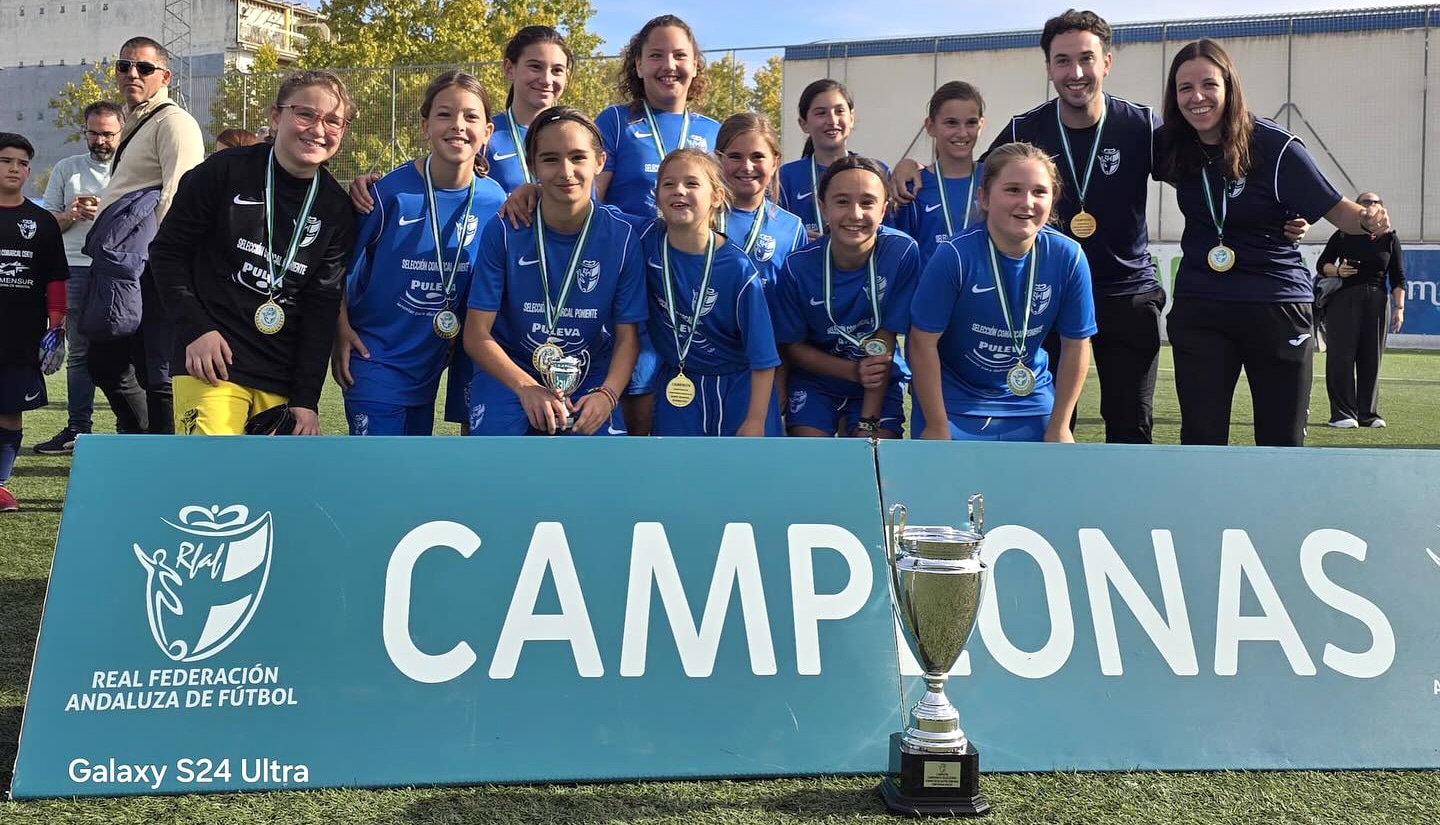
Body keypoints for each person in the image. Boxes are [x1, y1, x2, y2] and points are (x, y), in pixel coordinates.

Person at [893, 10, 1309, 444]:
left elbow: (1208, 172)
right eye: (1062, 61)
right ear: (1049, 66)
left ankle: (1123, 512)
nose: (1076, 73)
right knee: (1053, 428)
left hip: (1127, 295)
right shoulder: (1025, 127)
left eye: (1086, 59)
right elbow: (982, 178)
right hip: (1046, 299)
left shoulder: (1142, 125)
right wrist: (916, 166)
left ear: (1106, 62)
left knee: (1130, 425)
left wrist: (1274, 218)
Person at [1154, 39, 1388, 447]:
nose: (1196, 97)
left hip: (1275, 305)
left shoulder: (1277, 148)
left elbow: (1338, 211)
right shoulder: (1171, 145)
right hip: (1202, 306)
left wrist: (1370, 219)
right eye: (1184, 88)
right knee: (1200, 442)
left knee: (1281, 447)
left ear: (1229, 87)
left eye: (1208, 84)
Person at [149, 70, 357, 435]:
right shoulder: (223, 172)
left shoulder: (336, 208)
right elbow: (166, 254)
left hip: (279, 377)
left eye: (333, 121)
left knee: (268, 490)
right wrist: (197, 330)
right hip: (211, 363)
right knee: (213, 483)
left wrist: (306, 399)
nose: (318, 129)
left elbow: (321, 306)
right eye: (305, 114)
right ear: (275, 117)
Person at [333, 71, 505, 436]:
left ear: (487, 132)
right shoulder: (386, 194)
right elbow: (334, 265)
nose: (458, 125)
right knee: (380, 476)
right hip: (375, 358)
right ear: (425, 125)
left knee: (410, 476)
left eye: (470, 117)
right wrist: (340, 328)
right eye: (444, 114)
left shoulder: (497, 202)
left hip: (433, 361)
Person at [463, 107, 643, 436]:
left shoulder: (622, 235)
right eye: (550, 159)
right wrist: (526, 387)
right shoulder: (506, 229)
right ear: (532, 166)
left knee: (596, 477)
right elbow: (476, 335)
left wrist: (607, 394)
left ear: (600, 162)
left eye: (578, 157)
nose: (566, 171)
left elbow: (627, 338)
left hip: (590, 375)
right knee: (495, 471)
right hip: (511, 371)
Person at [908, 142, 1095, 442]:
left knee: (1037, 487)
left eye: (1039, 192)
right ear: (984, 197)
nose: (1027, 202)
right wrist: (936, 424)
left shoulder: (1069, 256)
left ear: (1053, 199)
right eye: (1012, 190)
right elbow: (921, 343)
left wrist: (1060, 426)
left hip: (1029, 399)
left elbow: (1076, 345)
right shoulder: (954, 256)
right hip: (953, 401)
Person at [85, 36, 205, 434]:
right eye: (124, 66)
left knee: (158, 370)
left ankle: (160, 454)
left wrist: (167, 267)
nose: (132, 74)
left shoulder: (174, 121)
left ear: (165, 75)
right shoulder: (139, 121)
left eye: (144, 68)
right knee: (110, 362)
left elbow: (180, 194)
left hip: (152, 267)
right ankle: (143, 444)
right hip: (126, 265)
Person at [773, 156, 920, 438]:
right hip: (817, 379)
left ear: (883, 209)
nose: (855, 214)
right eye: (842, 202)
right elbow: (793, 347)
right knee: (813, 461)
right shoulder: (797, 266)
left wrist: (868, 422)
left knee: (872, 461)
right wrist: (852, 370)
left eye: (867, 202)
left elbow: (885, 338)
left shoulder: (901, 252)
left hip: (879, 381)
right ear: (823, 207)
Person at [643, 148, 781, 437]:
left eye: (692, 183)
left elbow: (764, 356)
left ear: (717, 196)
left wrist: (755, 420)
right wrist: (530, 190)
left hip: (740, 389)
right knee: (678, 476)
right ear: (657, 195)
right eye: (668, 184)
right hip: (678, 385)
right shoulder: (645, 239)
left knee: (744, 477)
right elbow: (594, 216)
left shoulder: (739, 269)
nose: (679, 190)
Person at [35, 100, 144, 453]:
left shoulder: (135, 167)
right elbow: (47, 224)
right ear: (84, 131)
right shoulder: (68, 168)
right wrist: (70, 213)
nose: (100, 140)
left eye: (108, 134)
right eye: (93, 133)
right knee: (80, 354)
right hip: (76, 268)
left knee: (127, 352)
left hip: (122, 271)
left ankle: (128, 427)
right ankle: (77, 428)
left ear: (122, 132)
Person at [0, 133, 68, 511]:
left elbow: (54, 278)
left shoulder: (40, 222)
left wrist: (56, 327)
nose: (15, 168)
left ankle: (0, 484)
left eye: (22, 163)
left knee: (9, 410)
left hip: (21, 336)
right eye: (7, 160)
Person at [1315, 191, 1405, 429]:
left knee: (1371, 357)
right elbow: (1322, 264)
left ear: (1382, 208)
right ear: (1356, 208)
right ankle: (1343, 414)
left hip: (1377, 300)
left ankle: (1368, 414)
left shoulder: (1389, 238)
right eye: (1364, 202)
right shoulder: (1343, 234)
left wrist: (1399, 309)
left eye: (1374, 201)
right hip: (1344, 298)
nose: (1369, 205)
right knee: (1341, 357)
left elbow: (1398, 277)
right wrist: (1338, 271)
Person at [778, 80, 889, 239]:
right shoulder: (786, 176)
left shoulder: (876, 173)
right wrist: (796, 239)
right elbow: (775, 233)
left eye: (839, 111)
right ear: (803, 124)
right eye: (821, 113)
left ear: (851, 118)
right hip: (809, 262)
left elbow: (891, 232)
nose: (832, 120)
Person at [893, 82, 985, 266]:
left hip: (985, 291)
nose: (962, 133)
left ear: (981, 125)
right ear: (930, 126)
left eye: (971, 123)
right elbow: (901, 257)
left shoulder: (994, 179)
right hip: (932, 293)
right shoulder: (913, 187)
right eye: (951, 123)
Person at [713, 113, 807, 292]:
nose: (747, 167)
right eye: (735, 156)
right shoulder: (701, 217)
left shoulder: (792, 229)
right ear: (719, 160)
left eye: (757, 156)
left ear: (774, 163)